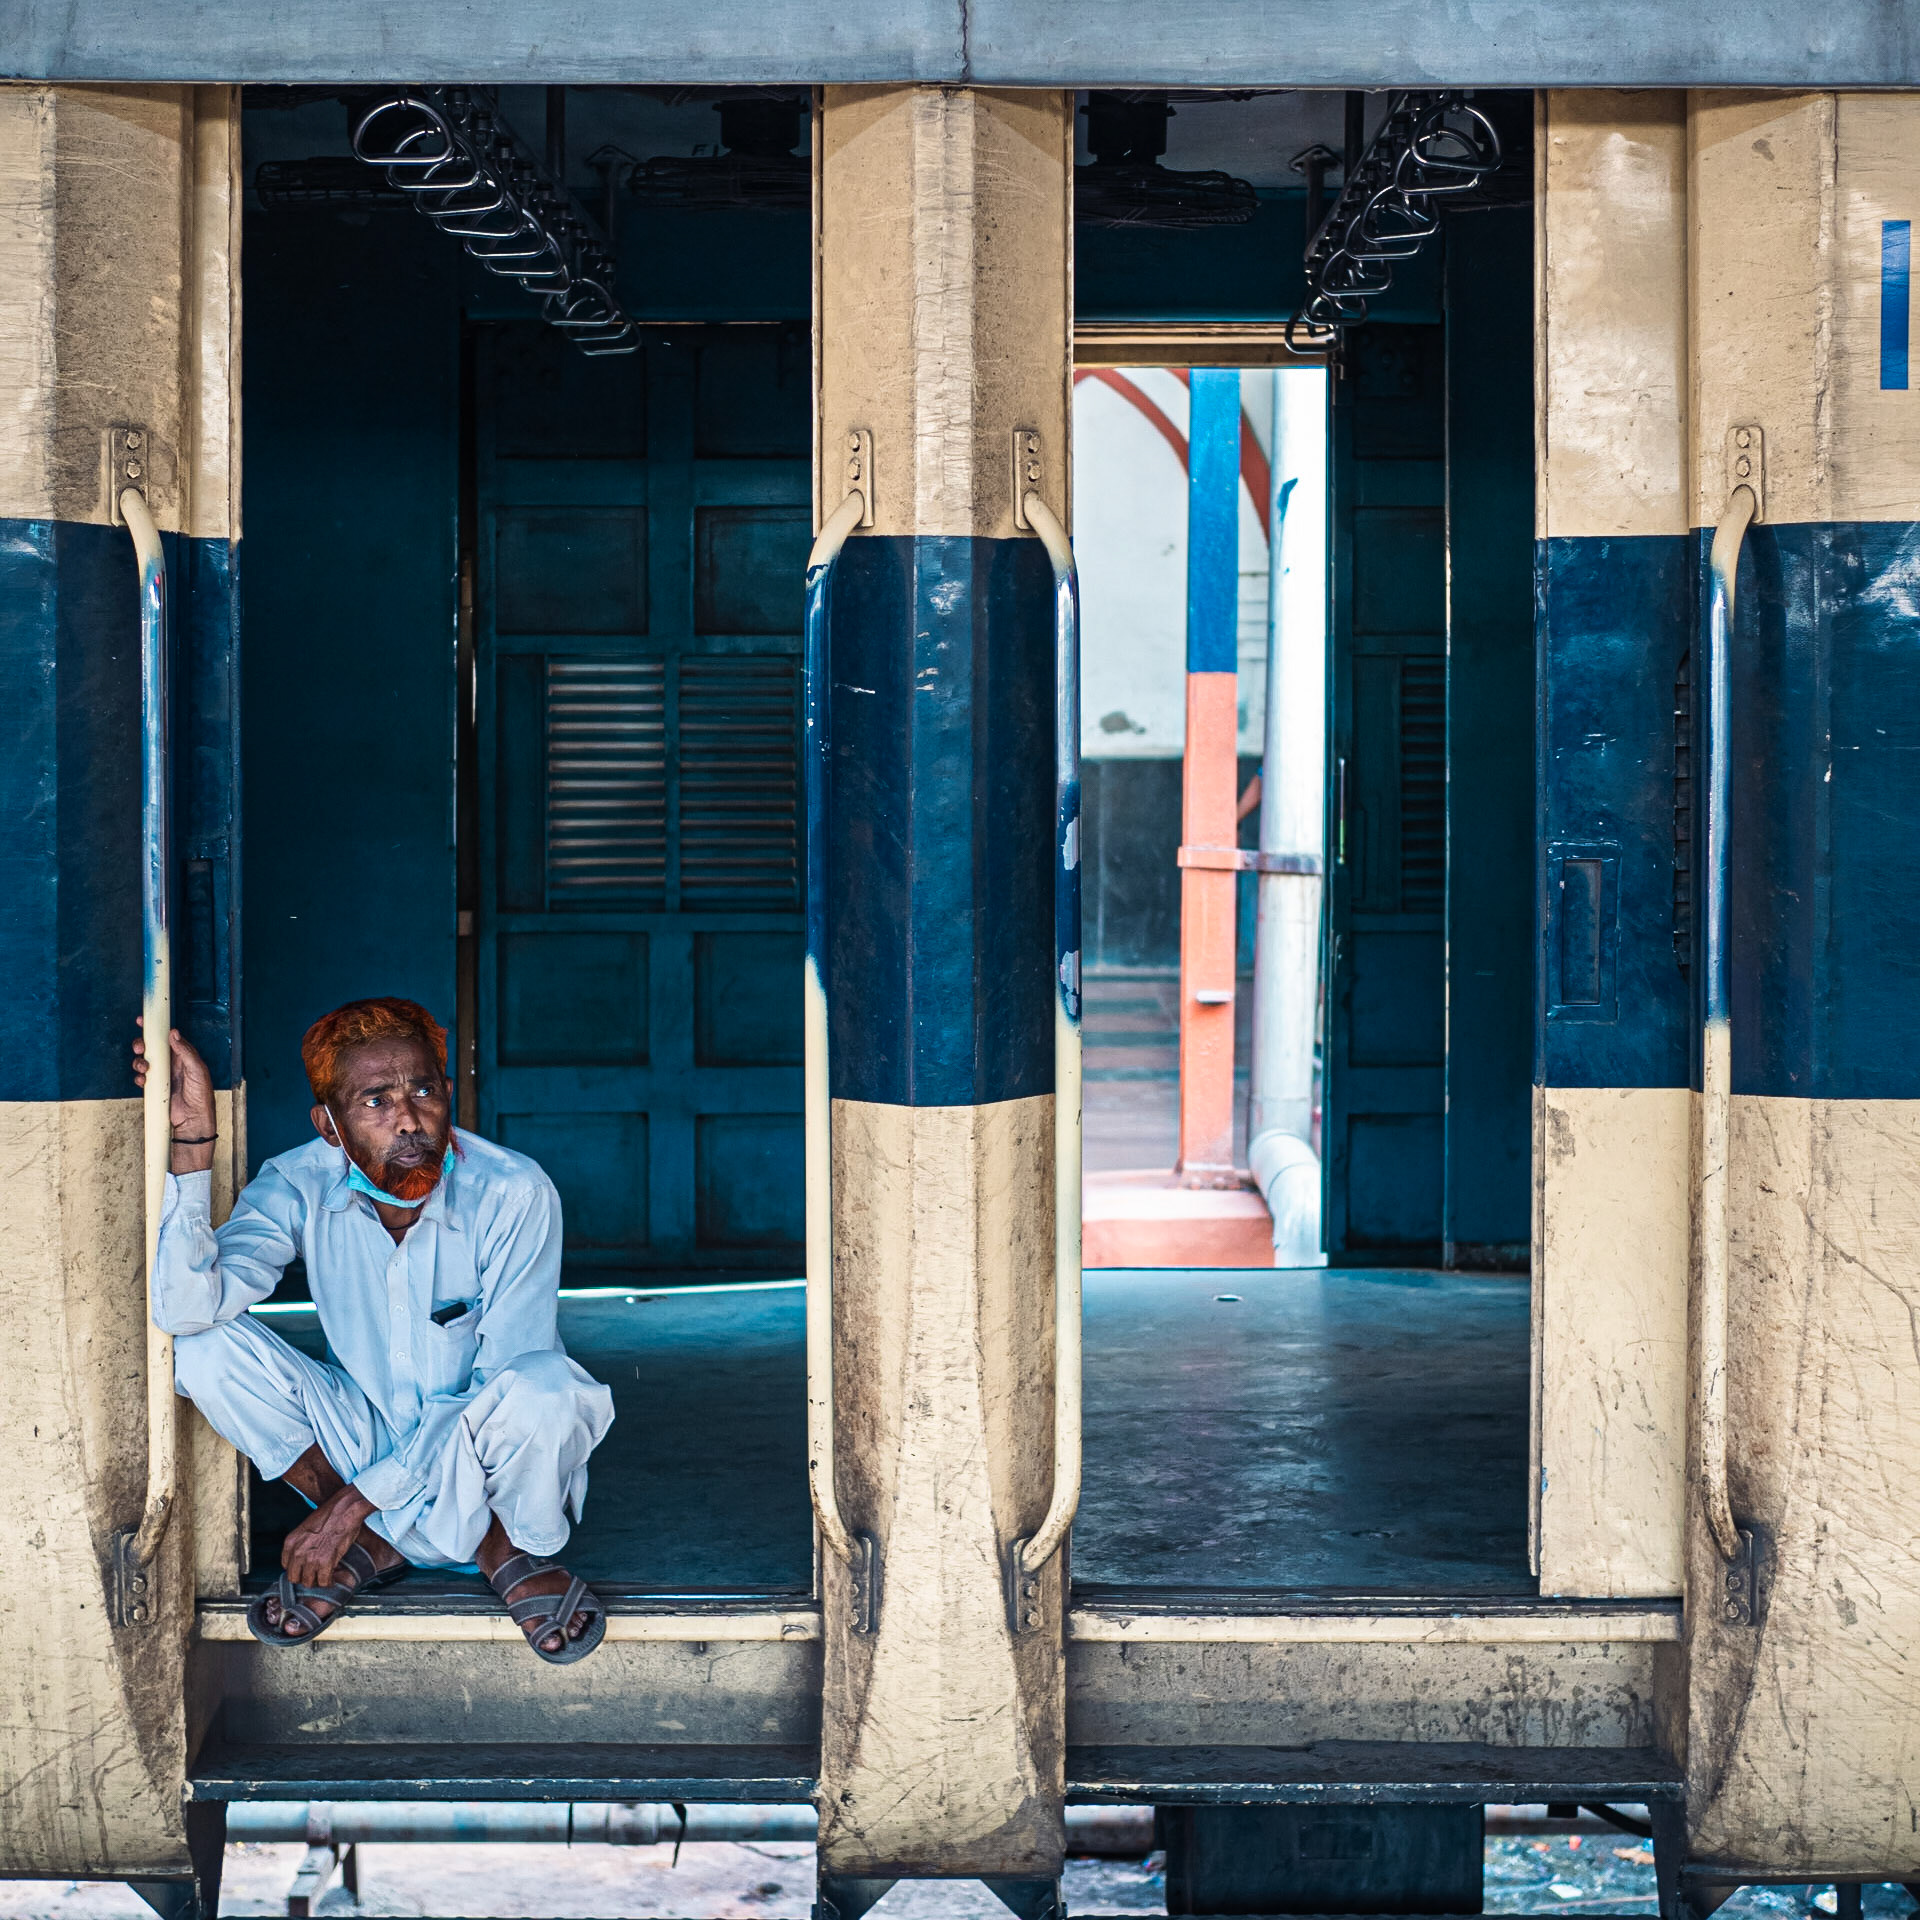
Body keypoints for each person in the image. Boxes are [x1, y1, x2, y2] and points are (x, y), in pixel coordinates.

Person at [132, 997, 615, 1662]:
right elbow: (187, 1310)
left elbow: (504, 1380)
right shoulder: (298, 1183)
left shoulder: (513, 1190)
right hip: (364, 1433)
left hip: (486, 1452)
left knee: (544, 1388)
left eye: (423, 1091)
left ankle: (499, 1544)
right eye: (376, 1102)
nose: (410, 1120)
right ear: (329, 1126)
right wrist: (191, 1152)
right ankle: (394, 1540)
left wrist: (351, 1505)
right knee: (204, 1348)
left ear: (449, 1094)